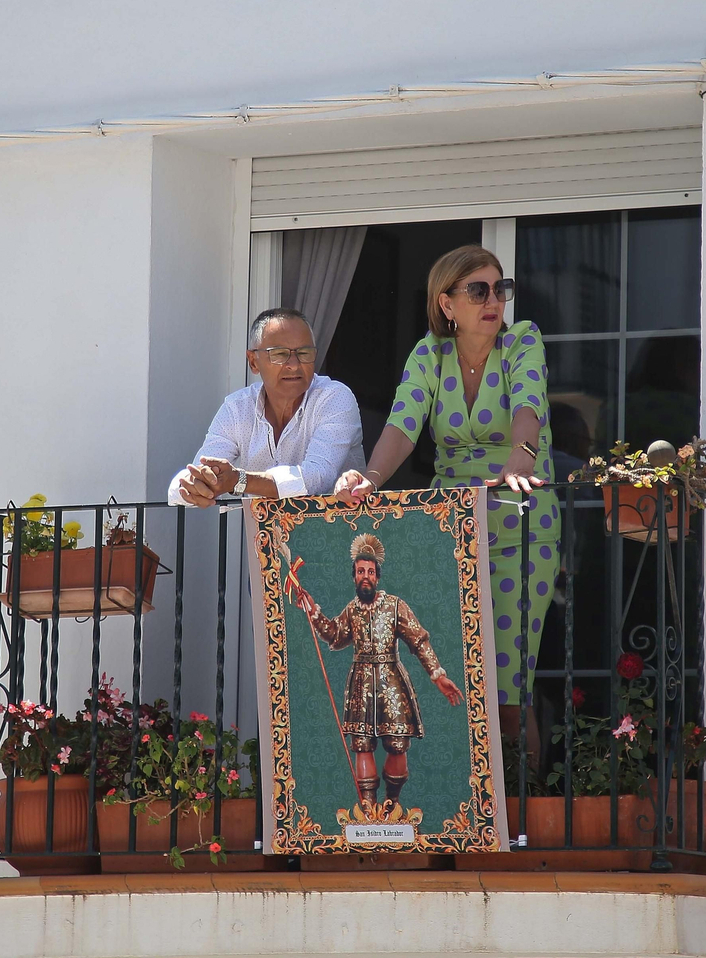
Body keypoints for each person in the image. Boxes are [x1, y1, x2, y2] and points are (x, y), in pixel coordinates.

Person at [333, 245, 560, 746]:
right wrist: (370, 476)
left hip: (521, 520)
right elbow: (402, 426)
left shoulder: (523, 340)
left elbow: (529, 406)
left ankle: (524, 806)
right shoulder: (428, 354)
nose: (493, 299)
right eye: (478, 290)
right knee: (454, 669)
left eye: (500, 288)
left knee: (508, 680)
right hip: (451, 523)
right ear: (446, 303)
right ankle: (466, 809)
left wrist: (522, 452)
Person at [289, 533, 463, 808]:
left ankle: (392, 804)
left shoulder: (395, 606)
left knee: (396, 743)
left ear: (377, 577)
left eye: (370, 571)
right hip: (360, 683)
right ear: (354, 577)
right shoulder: (352, 611)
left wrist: (438, 675)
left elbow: (418, 640)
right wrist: (313, 611)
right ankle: (368, 807)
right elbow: (335, 635)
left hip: (392, 681)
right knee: (362, 743)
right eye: (360, 571)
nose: (365, 576)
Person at [168, 308, 364, 507]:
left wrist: (239, 480)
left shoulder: (334, 397)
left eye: (304, 353)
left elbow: (317, 476)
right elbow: (193, 476)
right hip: (265, 538)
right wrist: (197, 484)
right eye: (280, 354)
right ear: (253, 362)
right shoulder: (238, 408)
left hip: (345, 535)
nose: (294, 365)